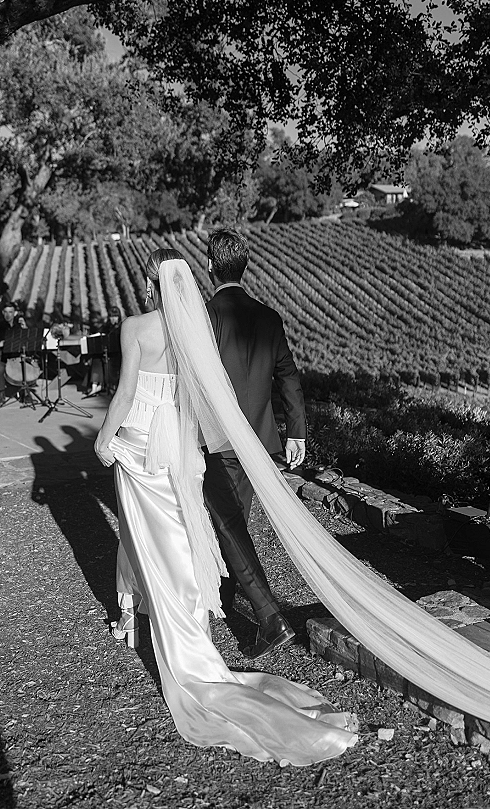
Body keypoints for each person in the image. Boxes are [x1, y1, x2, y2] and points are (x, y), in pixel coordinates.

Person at [94, 249, 358, 766]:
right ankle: (204, 616)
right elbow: (225, 390)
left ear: (151, 284)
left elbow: (124, 395)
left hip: (152, 445)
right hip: (196, 445)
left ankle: (166, 617)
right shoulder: (201, 328)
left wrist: (104, 440)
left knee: (159, 531)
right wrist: (284, 432)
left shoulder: (141, 327)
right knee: (194, 531)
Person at [203, 229, 305, 659]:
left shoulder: (205, 317)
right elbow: (288, 375)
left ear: (210, 266)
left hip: (218, 439)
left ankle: (269, 617)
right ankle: (225, 596)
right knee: (236, 518)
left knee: (228, 523)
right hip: (259, 441)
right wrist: (296, 431)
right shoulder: (269, 317)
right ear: (244, 267)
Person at [0, 302, 27, 404]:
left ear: (15, 313)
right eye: (6, 312)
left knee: (24, 366)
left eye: (10, 312)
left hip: (15, 355)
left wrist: (24, 327)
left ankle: (24, 392)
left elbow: (27, 340)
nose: (8, 315)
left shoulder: (18, 326)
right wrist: (0, 343)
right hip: (0, 355)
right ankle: (1, 392)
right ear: (3, 313)